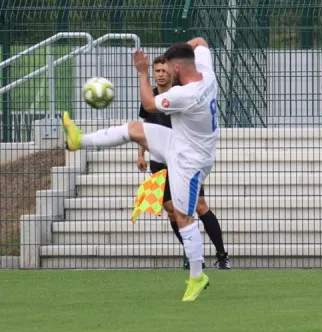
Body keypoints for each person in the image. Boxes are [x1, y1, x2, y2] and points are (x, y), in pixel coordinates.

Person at [62, 37, 218, 302]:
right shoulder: (205, 69)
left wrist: (143, 72)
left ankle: (196, 276)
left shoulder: (185, 95)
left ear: (178, 69)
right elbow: (200, 41)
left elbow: (148, 104)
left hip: (190, 161)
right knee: (133, 129)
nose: (165, 73)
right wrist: (171, 52)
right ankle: (79, 141)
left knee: (183, 218)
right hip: (179, 142)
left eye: (168, 68)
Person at [137, 55, 231, 270]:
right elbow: (145, 125)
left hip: (183, 160)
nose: (160, 74)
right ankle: (195, 257)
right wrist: (141, 153)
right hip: (159, 161)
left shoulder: (182, 94)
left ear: (172, 71)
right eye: (157, 71)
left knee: (200, 206)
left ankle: (222, 254)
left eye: (164, 70)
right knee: (171, 211)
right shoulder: (149, 96)